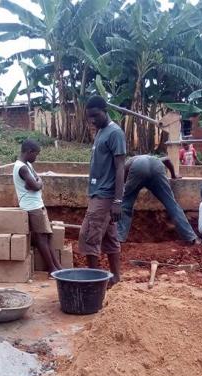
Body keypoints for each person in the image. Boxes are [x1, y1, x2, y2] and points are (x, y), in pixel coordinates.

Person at [79, 95, 126, 287]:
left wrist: (117, 201)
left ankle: (93, 283)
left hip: (105, 196)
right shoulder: (100, 131)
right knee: (109, 238)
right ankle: (115, 279)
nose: (92, 120)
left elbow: (120, 167)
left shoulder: (115, 133)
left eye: (96, 116)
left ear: (105, 111)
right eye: (89, 117)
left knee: (88, 237)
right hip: (98, 193)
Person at [117, 155, 200, 244]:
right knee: (171, 204)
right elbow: (167, 159)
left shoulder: (128, 162)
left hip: (138, 168)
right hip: (157, 167)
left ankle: (119, 238)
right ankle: (191, 237)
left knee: (126, 204)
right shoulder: (153, 158)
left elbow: (123, 183)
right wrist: (173, 175)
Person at [13, 139, 61, 274]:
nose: (36, 157)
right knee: (41, 238)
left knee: (46, 236)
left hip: (37, 204)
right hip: (32, 206)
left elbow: (35, 181)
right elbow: (35, 185)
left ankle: (57, 267)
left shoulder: (26, 164)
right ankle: (52, 269)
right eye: (36, 154)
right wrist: (38, 182)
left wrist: (37, 181)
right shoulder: (22, 167)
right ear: (29, 152)